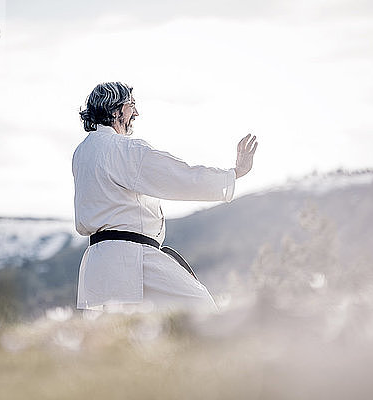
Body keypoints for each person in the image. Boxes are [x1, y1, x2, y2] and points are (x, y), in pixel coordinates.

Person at [72, 82, 258, 313]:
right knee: (201, 308)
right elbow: (178, 176)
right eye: (132, 105)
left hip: (97, 263)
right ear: (115, 110)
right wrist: (234, 174)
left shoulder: (82, 153)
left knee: (119, 336)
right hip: (133, 259)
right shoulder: (123, 149)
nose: (136, 113)